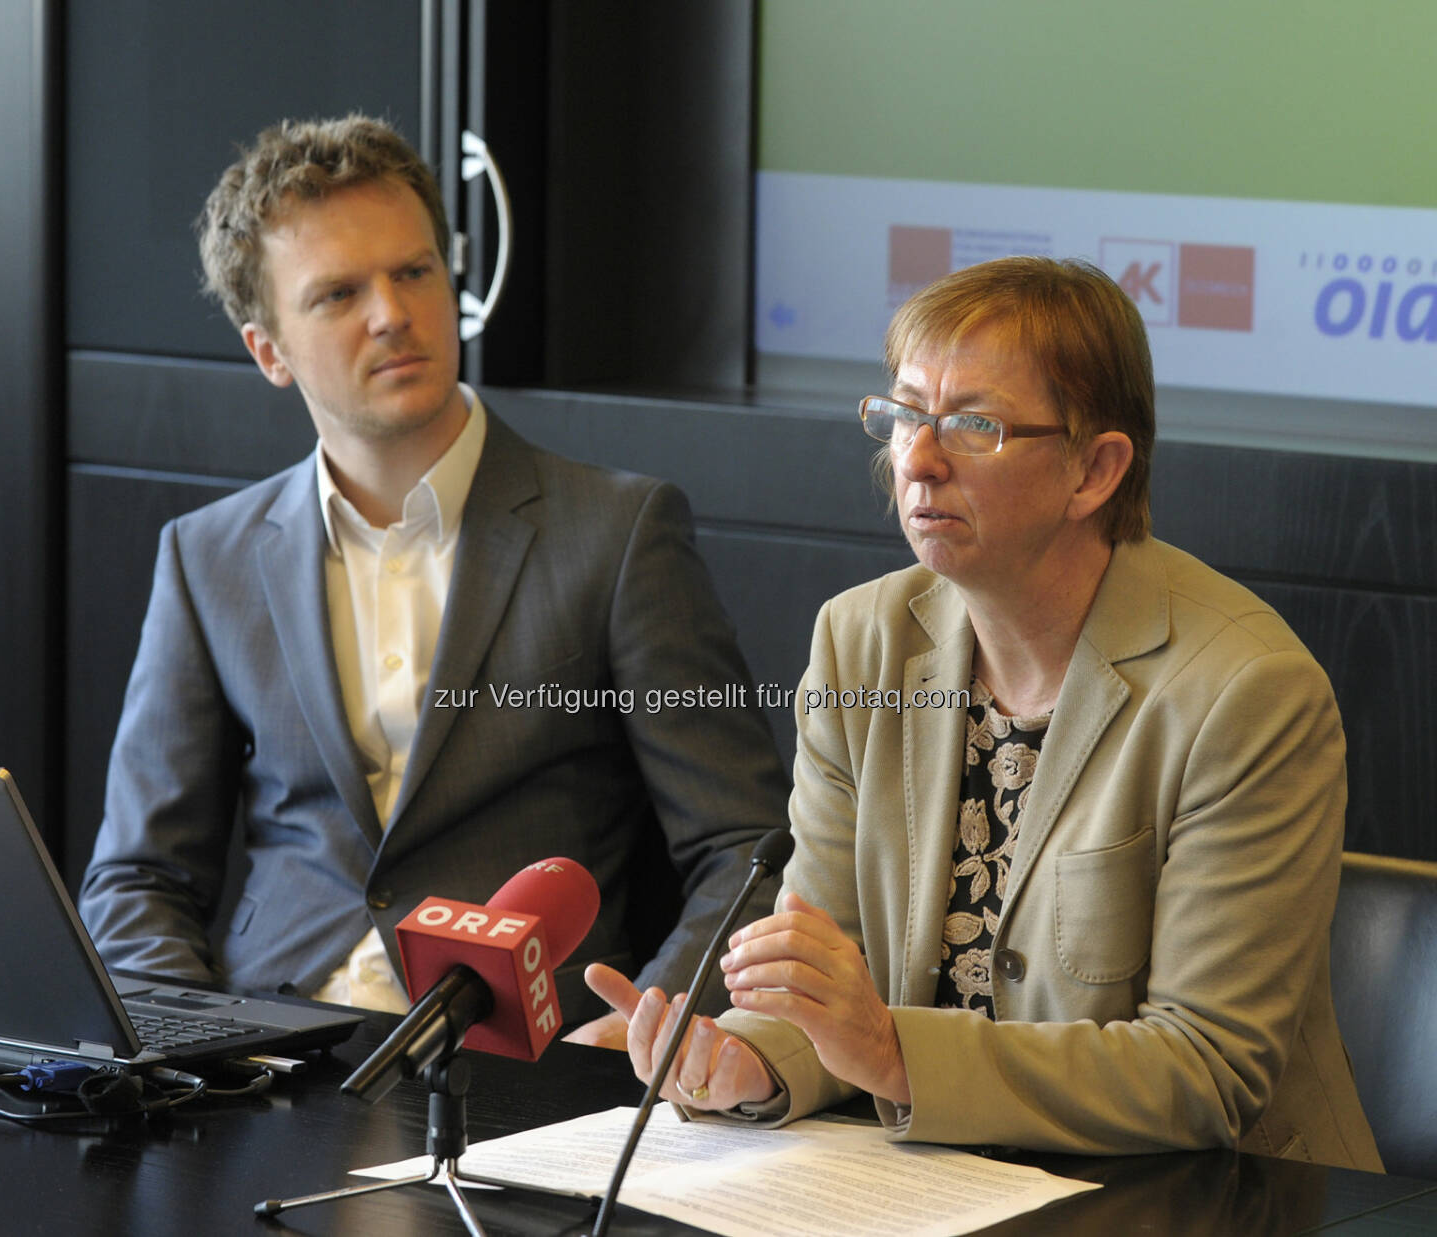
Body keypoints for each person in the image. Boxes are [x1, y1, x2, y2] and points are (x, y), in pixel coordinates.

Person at [587, 257, 1384, 1167]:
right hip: (948, 1191)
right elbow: (833, 981)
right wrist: (747, 1060)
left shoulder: (1246, 691)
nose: (916, 460)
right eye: (902, 416)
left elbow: (1203, 1069)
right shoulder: (861, 643)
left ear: (1096, 469)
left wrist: (893, 1053)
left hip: (1215, 1198)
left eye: (974, 425)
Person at [78, 114, 789, 1046]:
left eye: (413, 271)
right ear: (269, 352)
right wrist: (198, 1049)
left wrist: (640, 1030)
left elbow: (746, 850)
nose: (392, 313)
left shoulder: (618, 533)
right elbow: (139, 881)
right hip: (277, 1057)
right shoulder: (207, 556)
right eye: (337, 294)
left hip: (532, 1064)